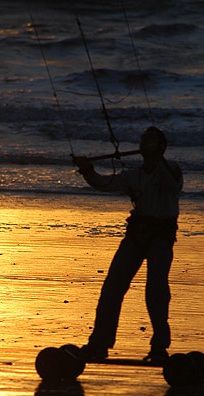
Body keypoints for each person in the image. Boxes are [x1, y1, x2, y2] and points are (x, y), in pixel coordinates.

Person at [73, 126, 183, 364]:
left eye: (150, 140)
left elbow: (174, 187)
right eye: (143, 139)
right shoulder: (133, 175)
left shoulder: (172, 170)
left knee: (156, 291)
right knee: (112, 288)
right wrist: (87, 170)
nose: (144, 142)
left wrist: (158, 157)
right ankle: (99, 344)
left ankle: (159, 346)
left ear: (161, 147)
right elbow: (104, 184)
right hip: (136, 234)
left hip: (161, 237)